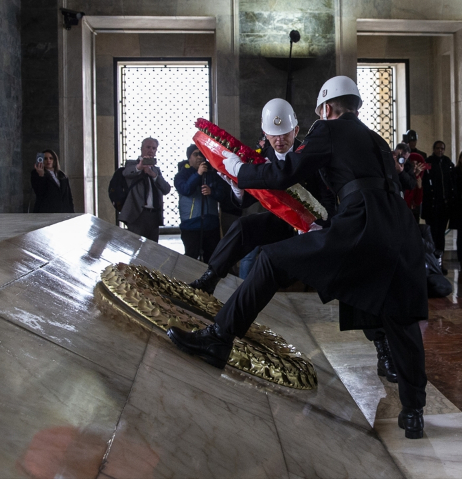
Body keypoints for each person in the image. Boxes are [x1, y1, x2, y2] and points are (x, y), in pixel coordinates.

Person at [168, 77, 429, 439]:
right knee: (398, 314)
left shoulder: (327, 130)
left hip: (359, 224)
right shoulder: (377, 139)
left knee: (273, 261)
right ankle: (414, 410)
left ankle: (219, 338)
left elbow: (286, 172)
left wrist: (241, 171)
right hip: (400, 229)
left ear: (325, 108)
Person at [188, 98, 335, 294]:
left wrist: (322, 224)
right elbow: (246, 201)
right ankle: (211, 277)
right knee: (243, 226)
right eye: (273, 135)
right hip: (280, 222)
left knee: (271, 263)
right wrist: (238, 189)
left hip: (312, 226)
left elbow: (328, 194)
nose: (279, 140)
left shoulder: (308, 153)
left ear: (296, 131)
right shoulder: (262, 156)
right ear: (265, 133)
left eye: (284, 134)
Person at [174, 145, 229, 263]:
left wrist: (212, 192)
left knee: (212, 258)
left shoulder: (212, 174)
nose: (199, 157)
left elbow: (222, 194)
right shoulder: (181, 175)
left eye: (202, 154)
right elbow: (186, 190)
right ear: (189, 158)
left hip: (211, 225)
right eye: (195, 154)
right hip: (191, 225)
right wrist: (198, 174)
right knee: (191, 258)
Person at [119, 137, 171, 242]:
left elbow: (166, 189)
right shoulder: (132, 164)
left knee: (153, 249)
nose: (151, 150)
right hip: (137, 215)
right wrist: (140, 166)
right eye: (148, 147)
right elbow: (126, 173)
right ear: (142, 148)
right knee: (136, 246)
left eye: (154, 148)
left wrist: (154, 175)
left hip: (154, 215)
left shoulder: (156, 170)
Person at [422, 140, 456, 274]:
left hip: (444, 206)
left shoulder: (448, 163)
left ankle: (440, 263)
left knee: (440, 235)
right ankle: (432, 263)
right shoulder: (428, 162)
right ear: (433, 149)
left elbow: (452, 182)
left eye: (442, 148)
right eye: (437, 148)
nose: (440, 150)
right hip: (431, 205)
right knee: (432, 235)